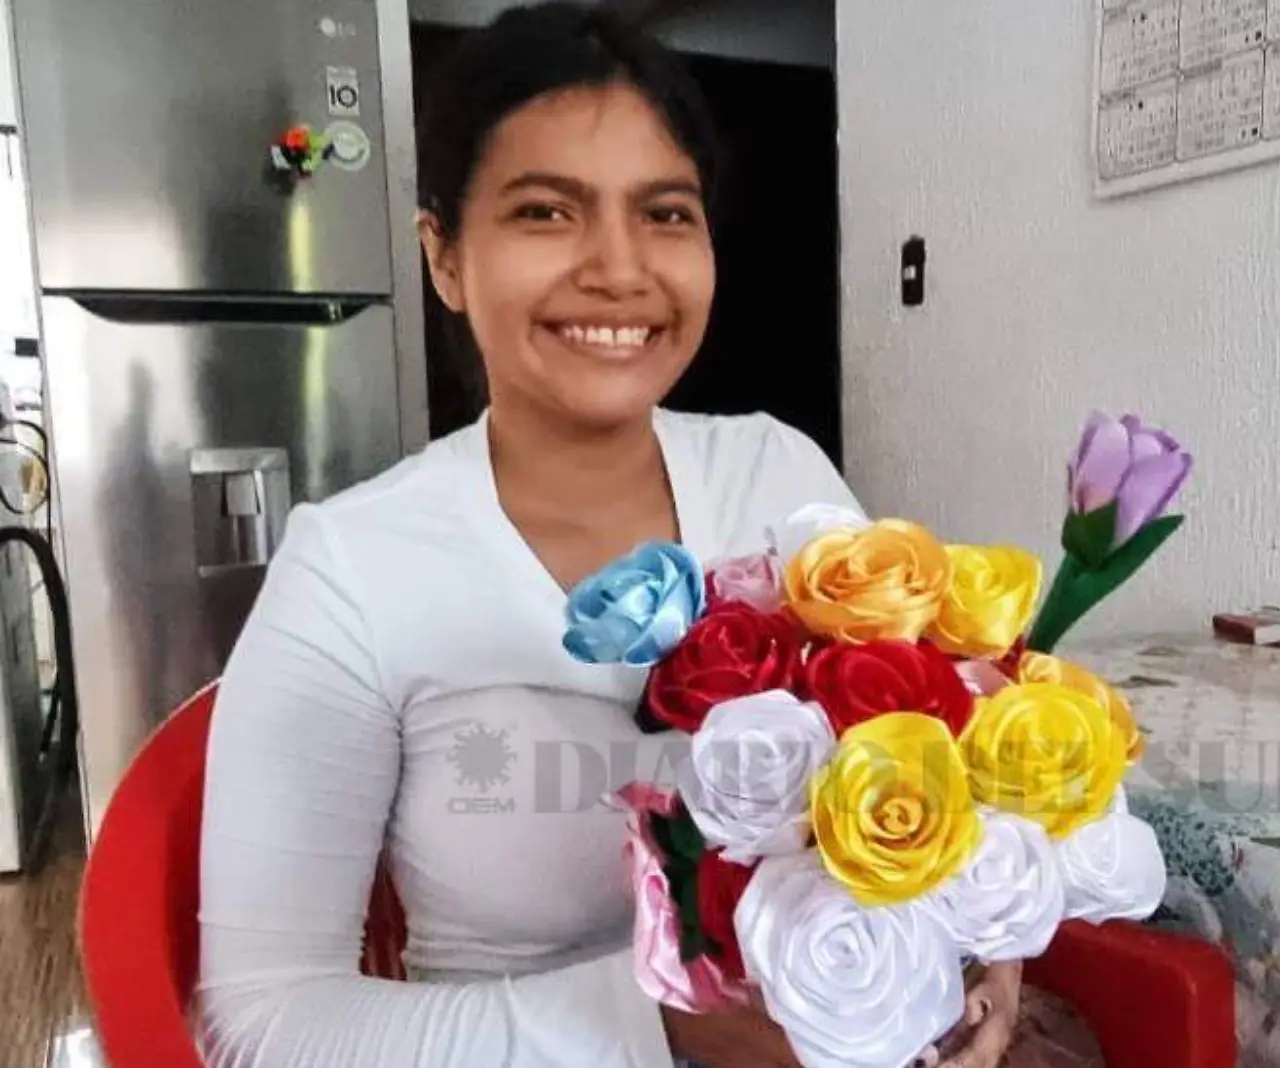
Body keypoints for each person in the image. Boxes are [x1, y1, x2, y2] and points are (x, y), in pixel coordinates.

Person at [192, 4, 1055, 1066]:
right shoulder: (353, 571)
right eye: (547, 212)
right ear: (446, 257)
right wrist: (661, 1019)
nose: (618, 268)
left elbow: (925, 778)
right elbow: (260, 1026)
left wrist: (977, 946)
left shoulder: (778, 479)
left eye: (665, 214)